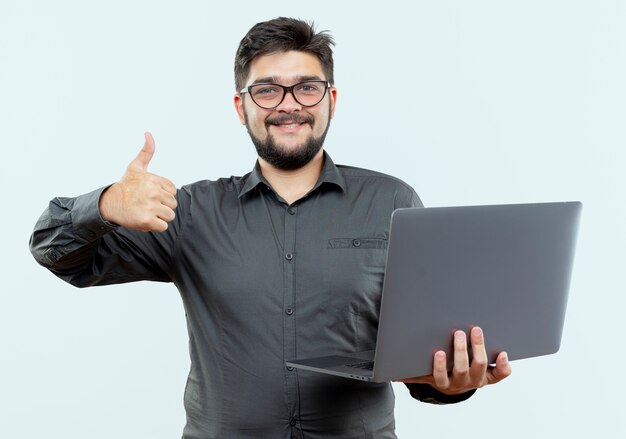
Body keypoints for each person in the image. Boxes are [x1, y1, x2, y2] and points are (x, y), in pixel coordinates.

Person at [30, 17, 511, 439]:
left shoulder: (393, 202)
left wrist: (451, 387)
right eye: (266, 89)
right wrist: (108, 203)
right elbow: (55, 251)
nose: (289, 104)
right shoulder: (189, 211)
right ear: (241, 107)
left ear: (331, 99)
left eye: (307, 86)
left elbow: (420, 355)